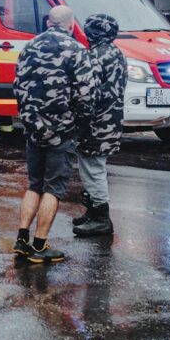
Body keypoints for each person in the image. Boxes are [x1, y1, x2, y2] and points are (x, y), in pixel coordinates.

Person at [11, 5, 95, 264]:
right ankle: (39, 246)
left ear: (48, 22)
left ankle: (22, 240)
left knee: (34, 185)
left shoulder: (29, 47)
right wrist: (79, 125)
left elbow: (18, 86)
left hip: (33, 128)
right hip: (61, 129)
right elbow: (86, 95)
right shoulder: (76, 50)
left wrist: (29, 118)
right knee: (53, 188)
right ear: (71, 24)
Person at [72, 14, 126, 238]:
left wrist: (78, 120)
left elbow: (88, 92)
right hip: (112, 118)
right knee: (94, 166)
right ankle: (93, 212)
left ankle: (101, 219)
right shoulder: (117, 53)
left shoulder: (94, 55)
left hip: (96, 121)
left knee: (92, 168)